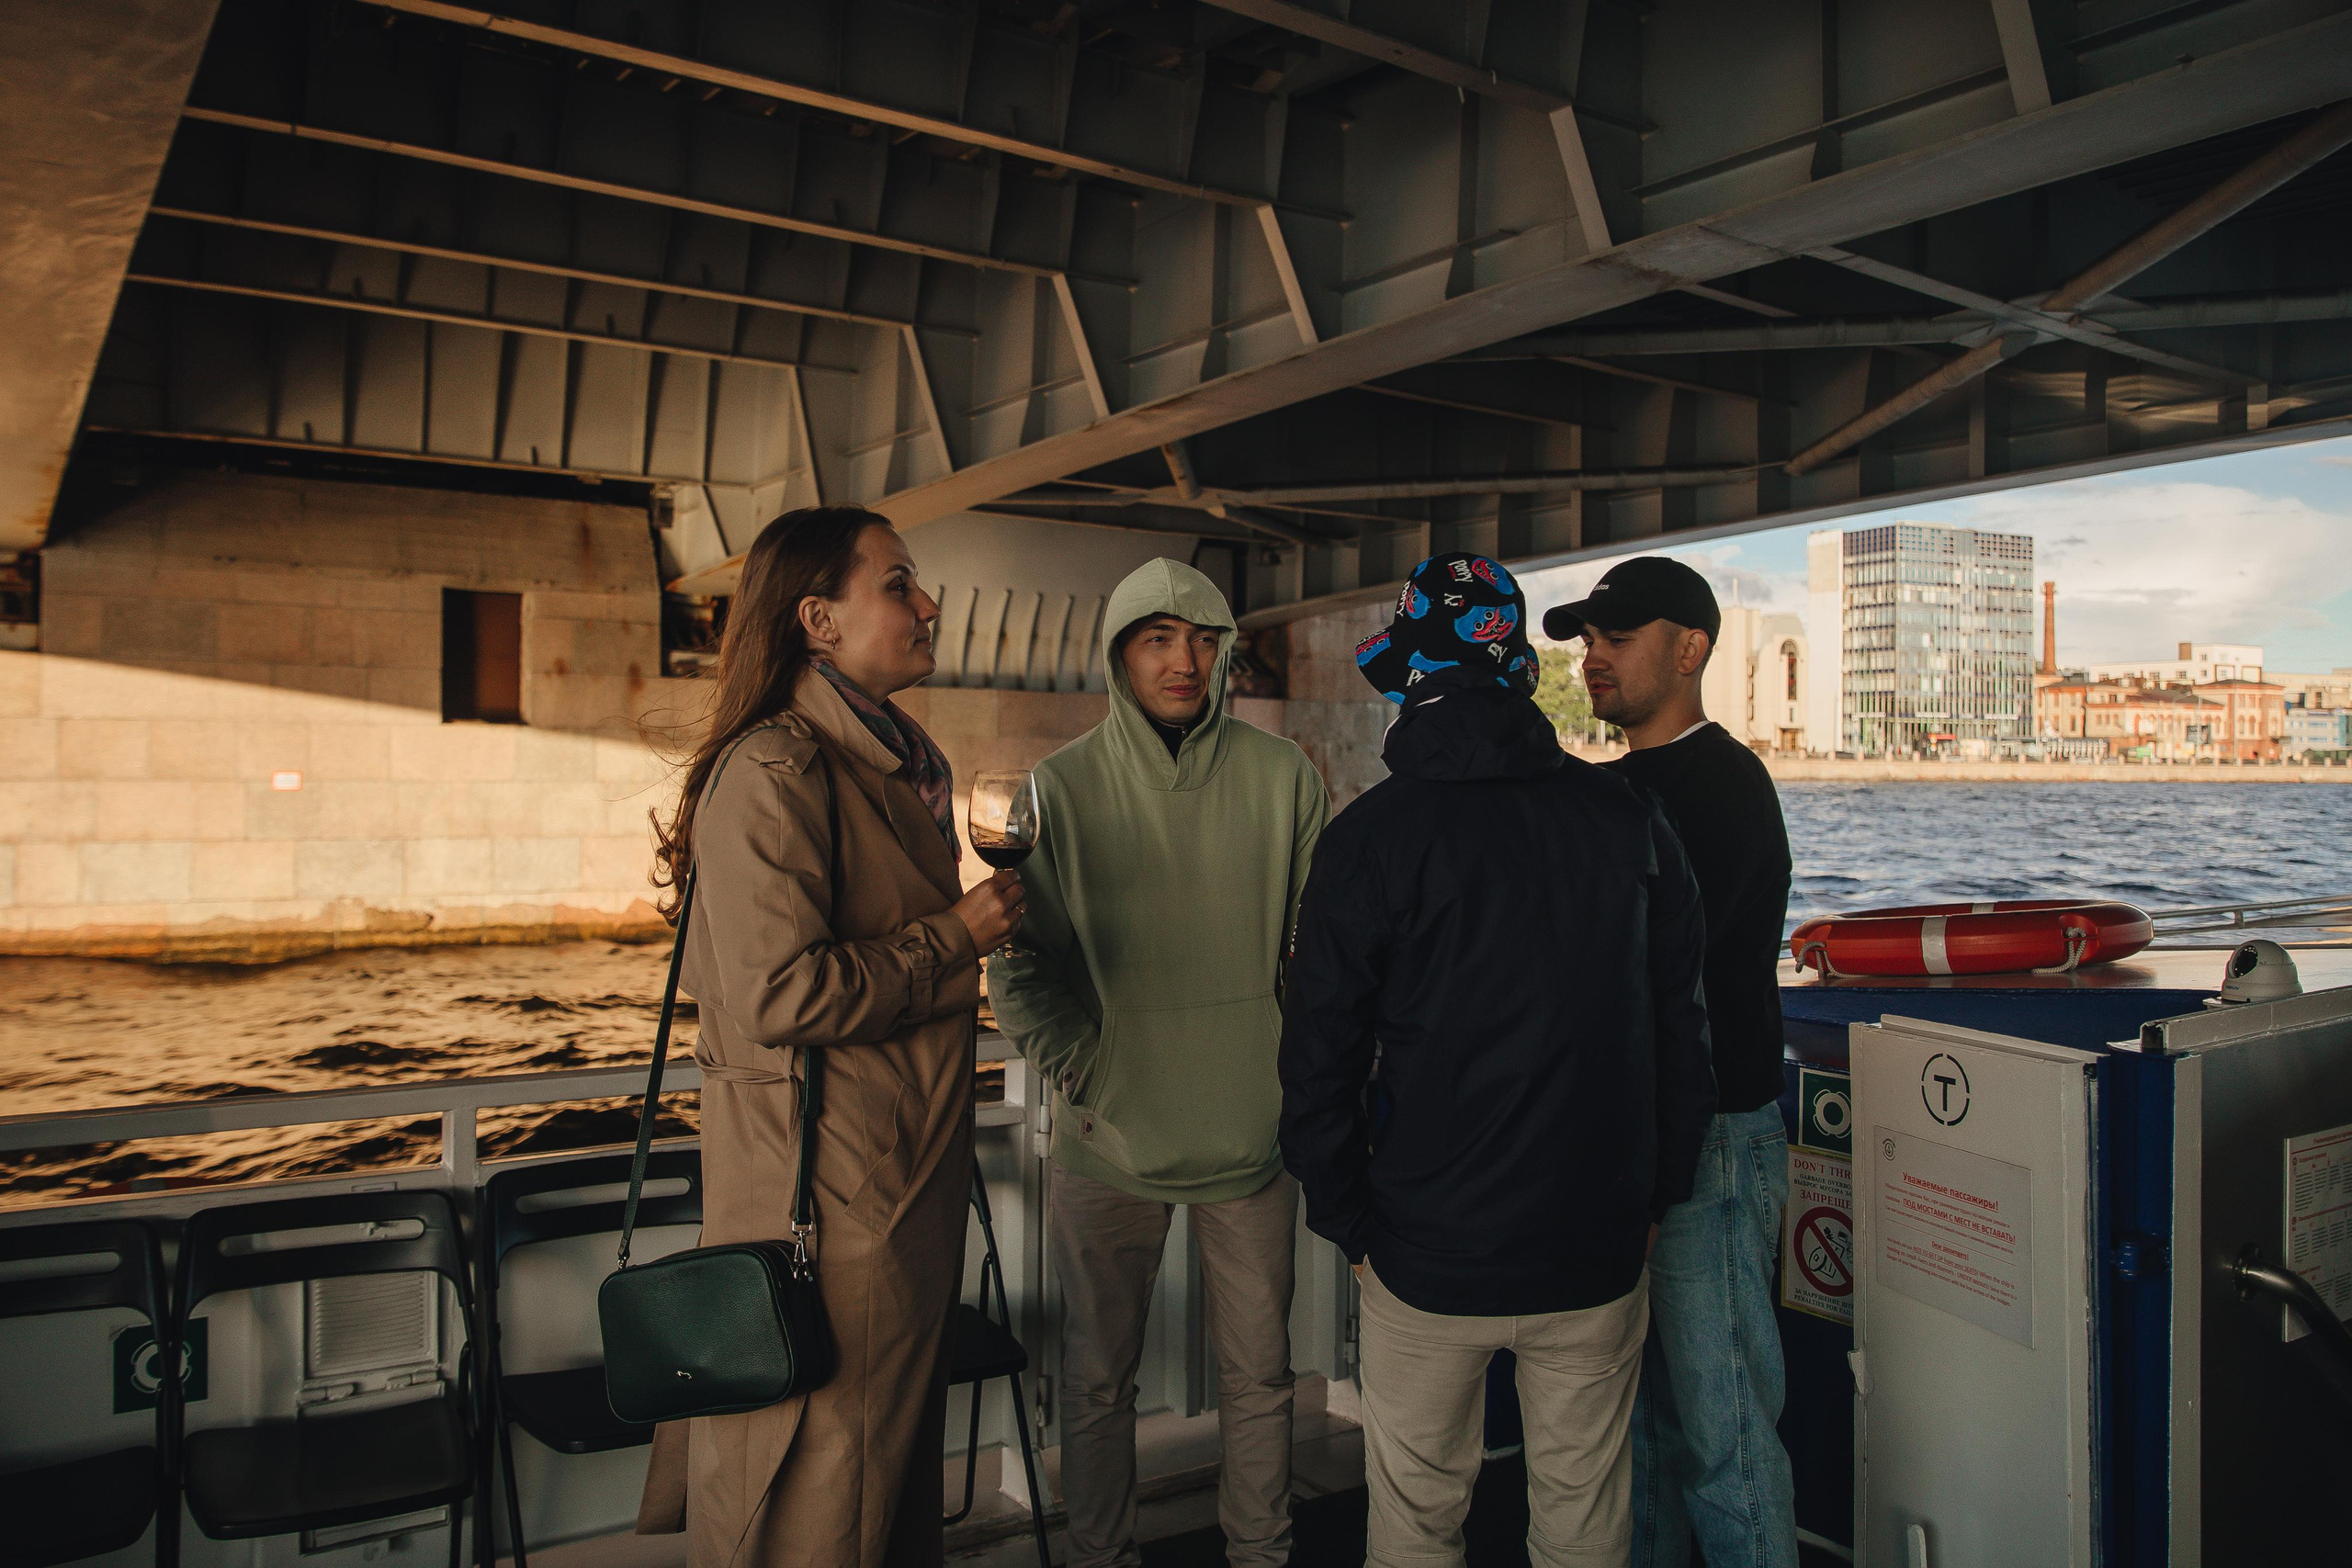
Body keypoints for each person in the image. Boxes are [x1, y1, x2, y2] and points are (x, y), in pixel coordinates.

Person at [1280, 553, 1717, 1568]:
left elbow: (1316, 1060)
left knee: (1418, 1521)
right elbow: (1680, 1032)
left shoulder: (1369, 840)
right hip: (1594, 1247)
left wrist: (1348, 1221)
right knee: (1582, 1519)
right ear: (1516, 668)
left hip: (1426, 1249)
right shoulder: (1629, 819)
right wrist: (1654, 1199)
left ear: (1413, 680)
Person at [637, 506, 1026, 1568]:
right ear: (817, 619)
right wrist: (956, 936)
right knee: (823, 1492)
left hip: (889, 1191)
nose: (927, 603)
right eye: (898, 583)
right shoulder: (777, 770)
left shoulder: (880, 762)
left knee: (879, 1488)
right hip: (831, 1204)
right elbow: (782, 995)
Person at [991, 558, 1331, 1568]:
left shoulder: (1288, 779)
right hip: (1108, 1144)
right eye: (1156, 638)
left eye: (1203, 639)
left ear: (1225, 652)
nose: (1183, 660)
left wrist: (1288, 1075)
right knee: (1096, 1383)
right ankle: (1102, 1558)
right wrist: (1090, 1073)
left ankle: (1259, 1555)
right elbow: (1018, 969)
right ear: (1117, 656)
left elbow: (1324, 960)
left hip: (1252, 1134)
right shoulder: (1057, 788)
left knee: (1260, 1377)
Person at [1546, 555, 1800, 1568]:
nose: (1592, 656)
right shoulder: (1608, 790)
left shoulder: (1725, 788)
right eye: (1586, 640)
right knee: (1639, 1444)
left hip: (1712, 1148)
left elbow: (1654, 974)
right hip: (1630, 1148)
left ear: (1688, 648)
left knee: (1723, 1437)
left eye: (1616, 636)